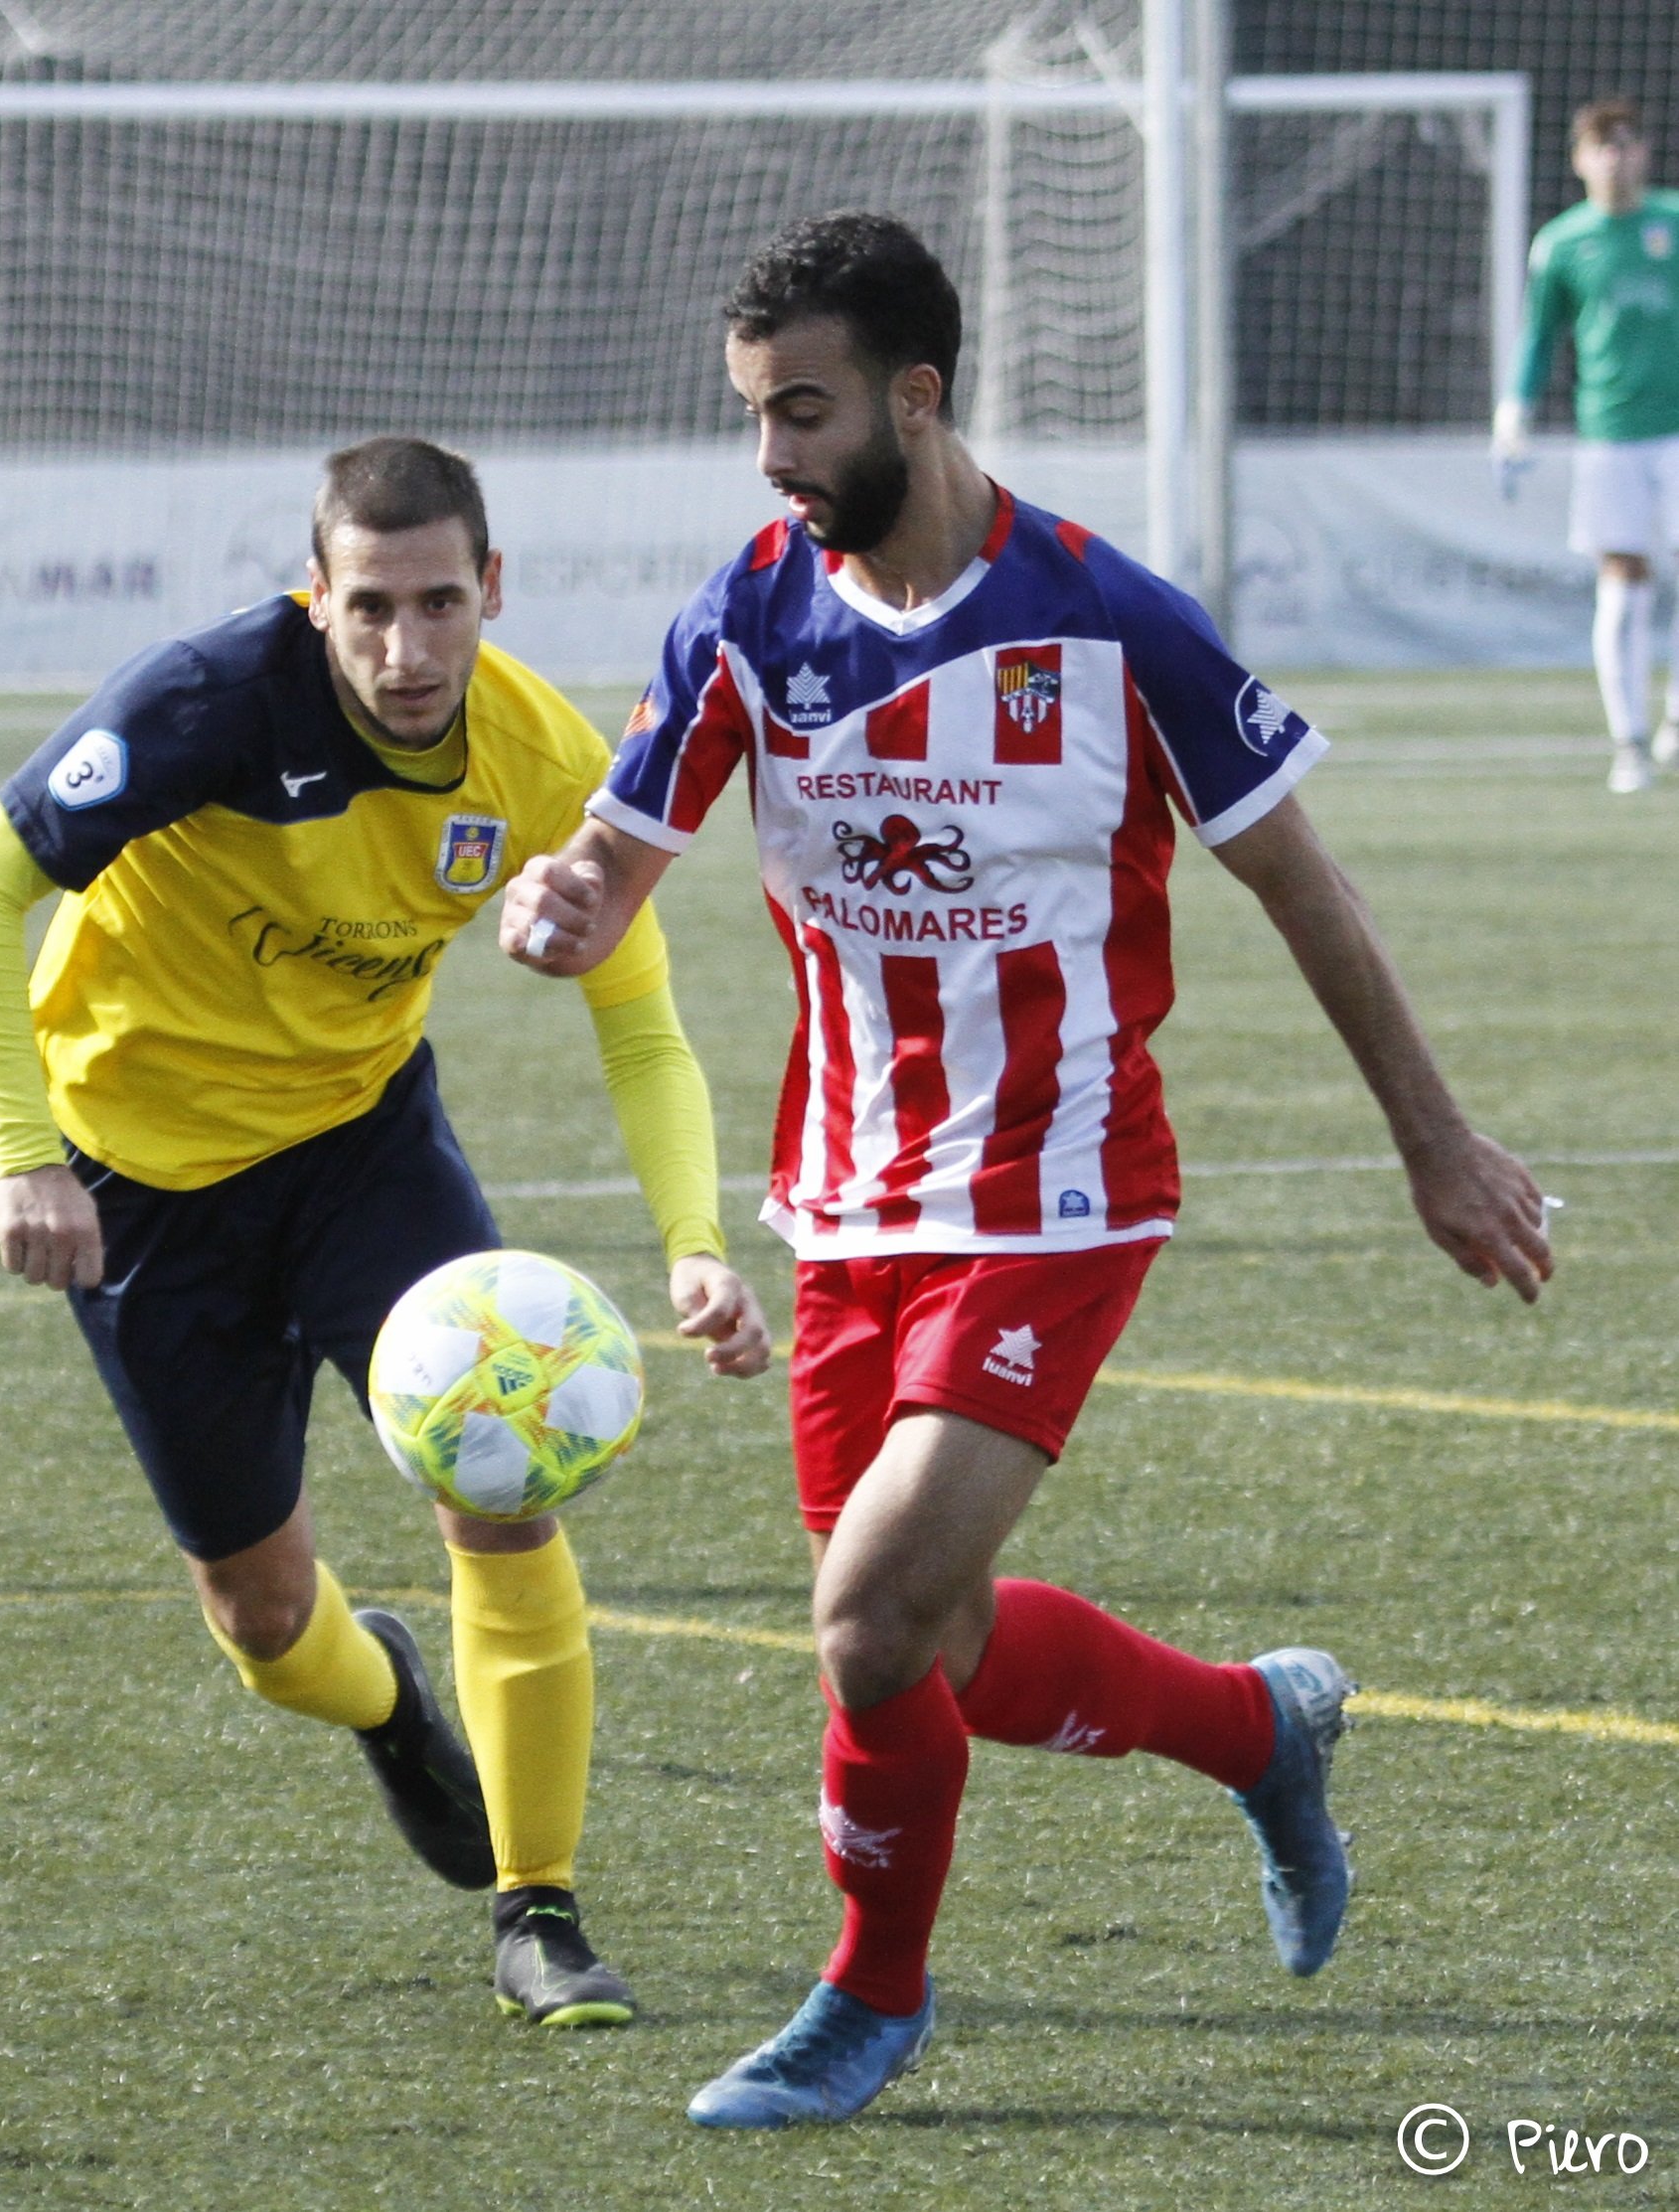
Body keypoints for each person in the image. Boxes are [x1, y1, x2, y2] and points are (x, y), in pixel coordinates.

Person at [504, 212, 1555, 2127]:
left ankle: (867, 2001)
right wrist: (564, 902)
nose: (772, 457)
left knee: (866, 1618)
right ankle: (1258, 1726)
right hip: (845, 1203)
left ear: (917, 394)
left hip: (1060, 1193)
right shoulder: (754, 609)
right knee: (943, 1655)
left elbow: (1300, 880)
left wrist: (1436, 1139)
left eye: (802, 413)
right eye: (753, 416)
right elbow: (615, 857)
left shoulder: (1109, 620)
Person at [0, 436, 772, 2027]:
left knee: (502, 1484)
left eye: (441, 602)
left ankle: (543, 1909)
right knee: (262, 1626)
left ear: (492, 590)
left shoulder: (537, 755)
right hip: (138, 1192)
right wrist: (21, 1155)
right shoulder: (204, 703)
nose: (406, 648)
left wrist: (694, 1239)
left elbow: (642, 1024)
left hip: (361, 1153)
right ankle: (385, 1695)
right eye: (368, 607)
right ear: (317, 598)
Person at [1497, 96, 1679, 794]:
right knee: (1623, 581)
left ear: (1646, 153)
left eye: (1627, 143)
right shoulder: (1564, 243)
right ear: (1578, 161)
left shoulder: (1671, 223)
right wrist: (1515, 407)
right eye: (1602, 145)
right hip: (1611, 435)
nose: (1616, 157)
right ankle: (1628, 741)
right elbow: (1540, 335)